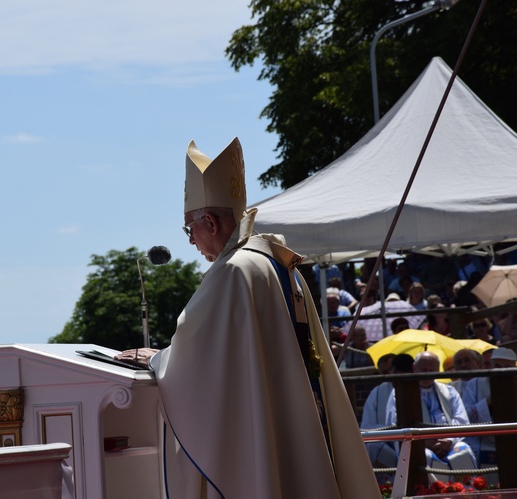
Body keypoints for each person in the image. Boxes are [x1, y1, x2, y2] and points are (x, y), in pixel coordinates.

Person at [118, 138, 379, 498]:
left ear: (209, 221)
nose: (191, 242)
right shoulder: (276, 263)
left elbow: (194, 360)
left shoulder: (234, 271)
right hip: (300, 420)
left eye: (188, 230)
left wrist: (159, 360)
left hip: (269, 425)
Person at [460, 347, 517, 485]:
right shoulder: (474, 384)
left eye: (507, 367)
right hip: (483, 437)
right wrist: (487, 403)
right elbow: (466, 415)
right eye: (498, 366)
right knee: (470, 451)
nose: (502, 371)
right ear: (491, 365)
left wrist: (512, 406)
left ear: (514, 367)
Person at [384, 351, 476, 474]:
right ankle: (431, 491)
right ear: (414, 368)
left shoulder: (449, 391)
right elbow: (394, 422)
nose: (427, 374)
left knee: (465, 452)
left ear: (438, 370)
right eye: (423, 369)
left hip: (448, 443)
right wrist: (424, 442)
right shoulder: (400, 393)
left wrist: (449, 440)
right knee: (425, 457)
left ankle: (467, 492)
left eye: (431, 370)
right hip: (418, 445)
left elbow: (461, 419)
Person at [360, 353, 414, 470]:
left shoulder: (418, 387)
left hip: (415, 444)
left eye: (390, 369)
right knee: (373, 447)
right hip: (389, 445)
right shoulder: (378, 392)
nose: (389, 374)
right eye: (384, 372)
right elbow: (367, 426)